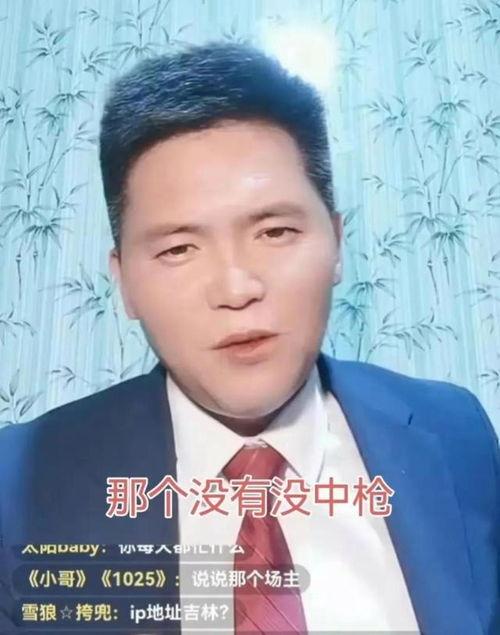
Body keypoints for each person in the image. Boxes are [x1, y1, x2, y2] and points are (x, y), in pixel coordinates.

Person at [0, 41, 498, 634]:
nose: (236, 288)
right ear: (125, 281)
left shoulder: (455, 431)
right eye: (179, 249)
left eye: (275, 232)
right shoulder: (19, 481)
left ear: (337, 244)